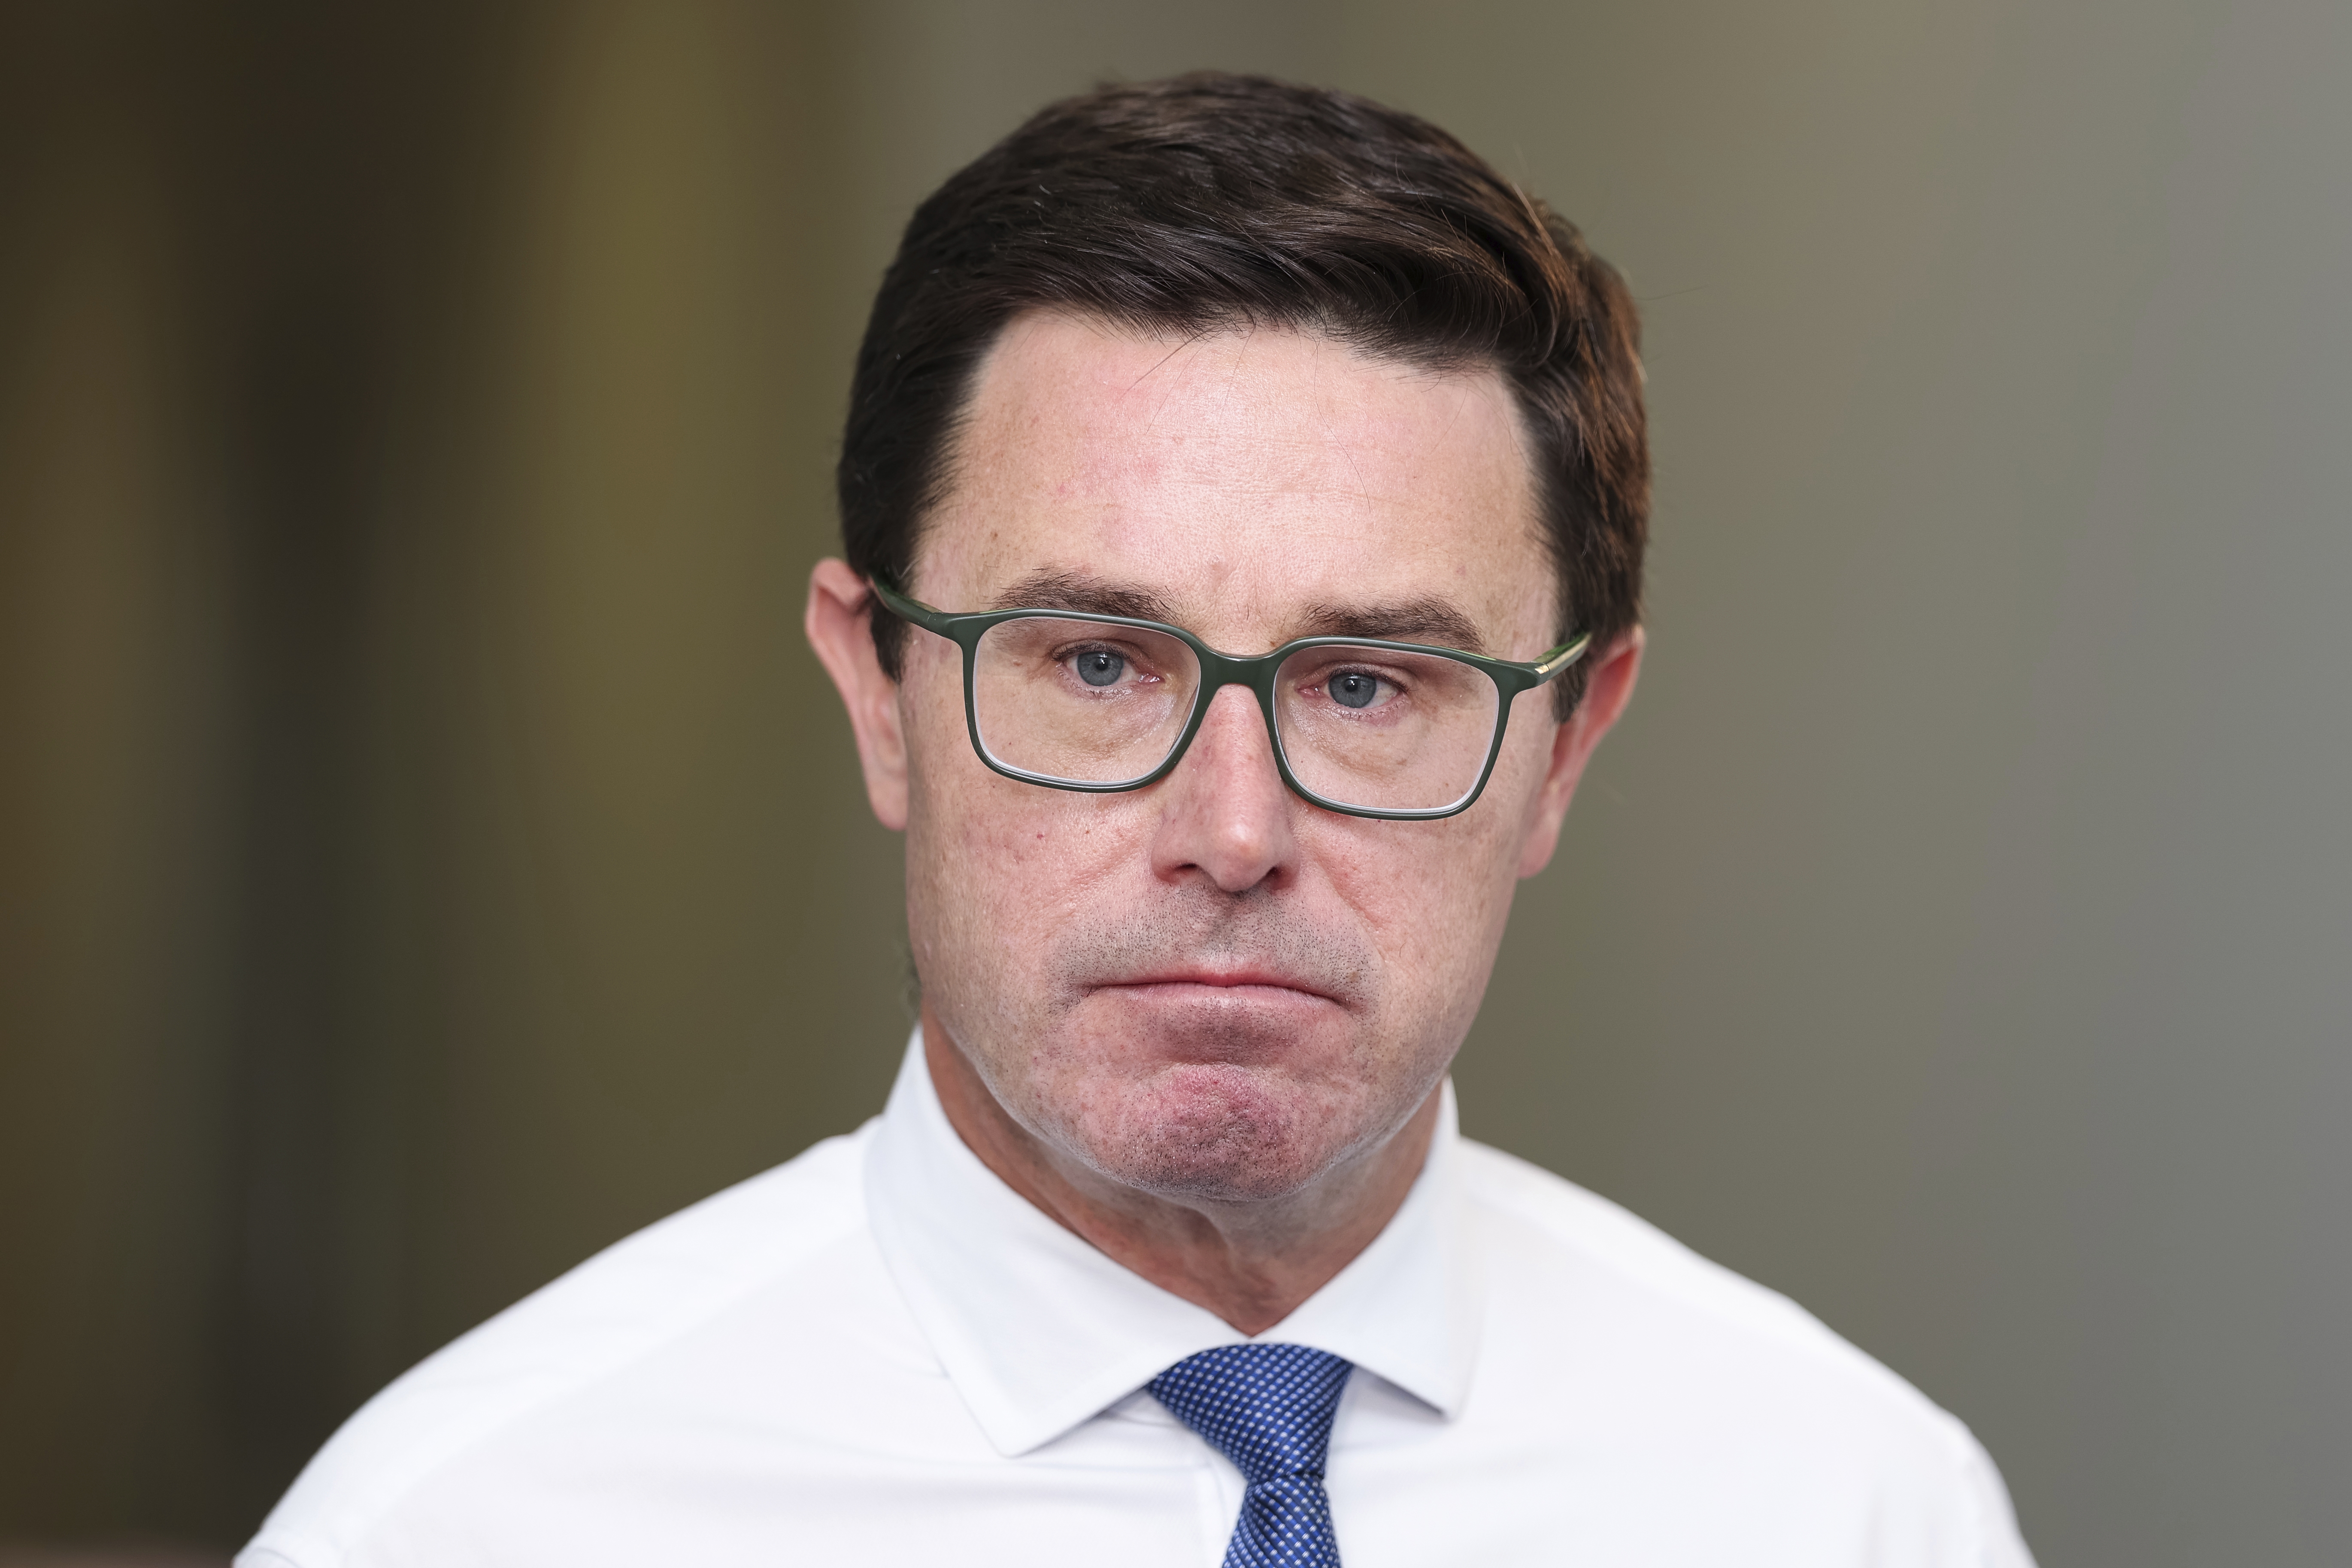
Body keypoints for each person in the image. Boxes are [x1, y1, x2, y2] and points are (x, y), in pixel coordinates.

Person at [240, 73, 2034, 1568]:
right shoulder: (472, 1521)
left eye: (1365, 683)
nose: (1230, 829)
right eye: (1096, 661)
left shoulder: (1851, 1506)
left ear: (1563, 743)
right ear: (881, 696)